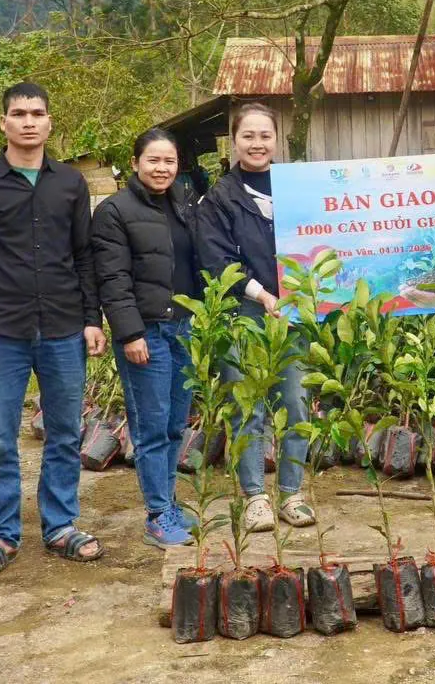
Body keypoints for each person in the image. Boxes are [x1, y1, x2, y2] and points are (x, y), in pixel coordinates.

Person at [0, 81, 107, 575]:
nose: (28, 121)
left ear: (49, 122)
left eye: (37, 113)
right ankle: (1, 532)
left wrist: (91, 319)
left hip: (63, 327)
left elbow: (85, 256)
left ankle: (60, 525)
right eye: (18, 113)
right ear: (3, 123)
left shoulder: (70, 184)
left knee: (64, 431)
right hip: (1, 331)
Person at [195, 103, 315, 532]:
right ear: (234, 140)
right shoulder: (219, 197)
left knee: (296, 401)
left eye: (265, 135)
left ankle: (291, 492)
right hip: (246, 311)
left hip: (294, 311)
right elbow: (215, 259)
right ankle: (255, 497)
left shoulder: (298, 188)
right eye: (248, 136)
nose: (257, 143)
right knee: (248, 406)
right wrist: (262, 295)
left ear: (276, 138)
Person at [91, 128, 201, 548]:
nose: (162, 168)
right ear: (136, 163)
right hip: (145, 334)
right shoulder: (114, 211)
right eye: (153, 160)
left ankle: (169, 502)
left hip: (183, 328)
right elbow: (112, 278)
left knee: (175, 423)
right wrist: (130, 332)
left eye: (169, 161)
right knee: (152, 426)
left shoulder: (183, 206)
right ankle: (157, 515)